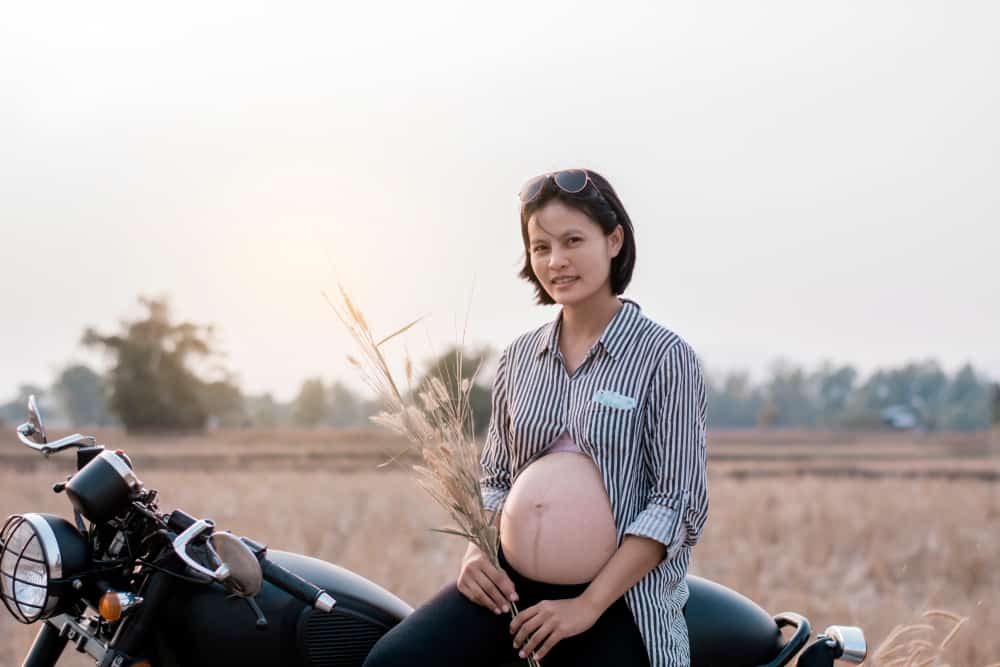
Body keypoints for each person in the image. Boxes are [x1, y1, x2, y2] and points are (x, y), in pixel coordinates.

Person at [363, 168, 708, 667]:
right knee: (392, 663)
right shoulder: (520, 358)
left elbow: (675, 503)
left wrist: (585, 607)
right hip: (508, 590)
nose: (556, 261)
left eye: (573, 241)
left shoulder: (665, 357)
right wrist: (477, 553)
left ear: (614, 240)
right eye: (540, 247)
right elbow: (496, 478)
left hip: (616, 603)